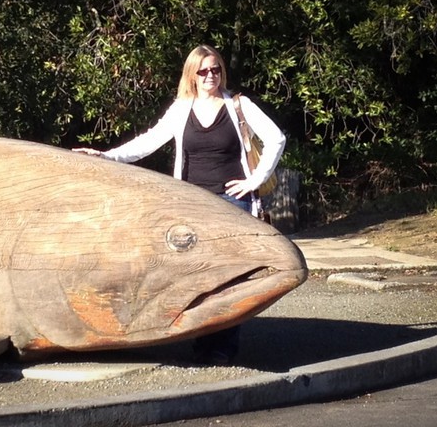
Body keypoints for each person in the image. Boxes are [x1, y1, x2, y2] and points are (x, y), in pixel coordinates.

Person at [74, 44, 286, 365]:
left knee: (228, 278)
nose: (210, 76)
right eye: (203, 71)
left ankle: (222, 349)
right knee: (195, 276)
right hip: (191, 204)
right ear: (192, 75)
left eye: (215, 70)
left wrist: (254, 181)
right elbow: (147, 141)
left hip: (233, 203)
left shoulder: (239, 106)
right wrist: (105, 156)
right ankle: (202, 341)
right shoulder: (181, 109)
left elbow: (276, 139)